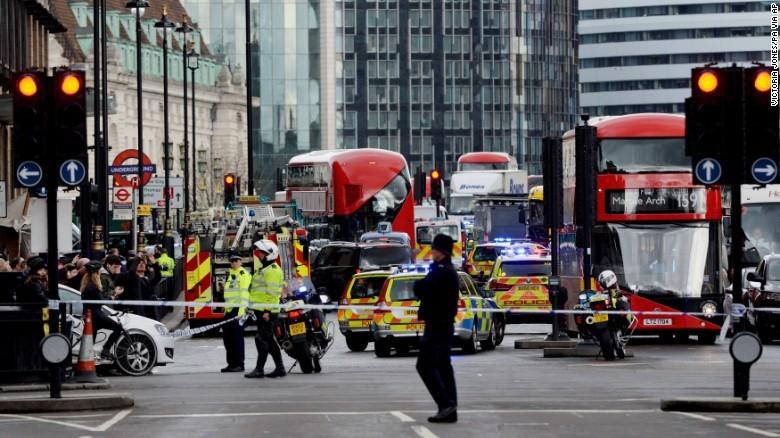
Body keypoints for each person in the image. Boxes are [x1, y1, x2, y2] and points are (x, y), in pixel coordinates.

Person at [413, 234, 460, 424]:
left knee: (424, 365)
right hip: (443, 325)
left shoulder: (442, 271)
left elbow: (421, 288)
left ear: (441, 252)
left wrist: (419, 285)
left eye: (434, 249)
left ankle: (445, 404)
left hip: (437, 326)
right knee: (443, 366)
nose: (431, 251)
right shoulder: (446, 270)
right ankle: (450, 409)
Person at [245, 240, 286, 378]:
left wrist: (267, 311)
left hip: (267, 312)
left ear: (269, 254)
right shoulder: (264, 269)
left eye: (261, 253)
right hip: (261, 310)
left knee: (261, 339)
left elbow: (273, 294)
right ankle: (279, 368)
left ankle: (259, 369)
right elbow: (257, 292)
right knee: (268, 340)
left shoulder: (272, 271)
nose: (258, 255)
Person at [81, 261, 123, 359]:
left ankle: (89, 359)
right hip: (95, 315)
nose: (100, 273)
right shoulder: (93, 286)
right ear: (96, 273)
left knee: (91, 340)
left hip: (91, 315)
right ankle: (106, 350)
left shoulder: (87, 284)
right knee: (118, 328)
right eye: (99, 271)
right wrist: (112, 297)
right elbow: (100, 301)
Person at [221, 253, 250, 372]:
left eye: (236, 260)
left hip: (238, 311)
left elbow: (244, 294)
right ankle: (231, 363)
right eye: (232, 261)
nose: (233, 263)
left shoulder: (243, 274)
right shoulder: (231, 274)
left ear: (241, 261)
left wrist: (241, 311)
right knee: (227, 339)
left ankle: (239, 364)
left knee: (237, 339)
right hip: (229, 310)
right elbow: (230, 294)